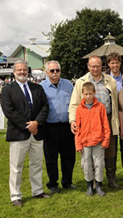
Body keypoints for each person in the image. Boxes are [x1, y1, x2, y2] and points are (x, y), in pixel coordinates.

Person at [1, 60, 50, 207]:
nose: (22, 72)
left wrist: (36, 123)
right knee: (16, 167)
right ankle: (16, 196)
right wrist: (27, 125)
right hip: (18, 134)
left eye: (24, 70)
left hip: (37, 132)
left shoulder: (37, 88)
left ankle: (37, 191)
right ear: (14, 72)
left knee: (37, 164)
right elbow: (9, 111)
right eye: (19, 70)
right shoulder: (7, 90)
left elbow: (45, 107)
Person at [69, 55, 119, 189]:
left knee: (110, 151)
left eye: (98, 66)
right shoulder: (81, 82)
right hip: (88, 121)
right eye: (93, 66)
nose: (95, 69)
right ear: (88, 66)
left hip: (107, 118)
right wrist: (73, 120)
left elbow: (115, 102)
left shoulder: (110, 81)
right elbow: (74, 103)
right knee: (90, 153)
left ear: (102, 66)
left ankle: (111, 178)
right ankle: (92, 181)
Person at [40, 60, 76, 194]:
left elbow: (74, 104)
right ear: (46, 72)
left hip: (67, 127)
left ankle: (67, 182)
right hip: (50, 127)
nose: (55, 73)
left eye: (57, 70)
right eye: (52, 71)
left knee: (69, 157)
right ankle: (53, 184)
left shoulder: (68, 85)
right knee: (51, 158)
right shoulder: (41, 87)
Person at [75, 82, 110, 196]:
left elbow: (105, 125)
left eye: (90, 94)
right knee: (86, 164)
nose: (88, 96)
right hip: (84, 142)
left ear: (94, 93)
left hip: (98, 141)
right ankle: (89, 186)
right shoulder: (79, 109)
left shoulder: (100, 107)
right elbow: (77, 128)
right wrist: (78, 144)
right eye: (86, 94)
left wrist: (106, 140)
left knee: (99, 163)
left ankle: (99, 185)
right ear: (82, 94)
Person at [106, 52, 123, 186]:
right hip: (112, 116)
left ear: (120, 63)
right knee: (112, 147)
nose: (115, 65)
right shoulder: (106, 79)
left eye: (117, 62)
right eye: (112, 63)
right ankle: (112, 176)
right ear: (108, 64)